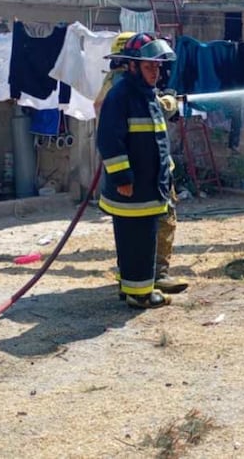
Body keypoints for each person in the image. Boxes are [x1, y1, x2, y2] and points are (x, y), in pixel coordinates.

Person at [95, 32, 188, 296]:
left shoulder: (146, 94)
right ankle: (139, 293)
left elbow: (154, 137)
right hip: (134, 187)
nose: (156, 72)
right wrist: (122, 177)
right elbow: (110, 141)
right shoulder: (120, 93)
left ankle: (145, 282)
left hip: (153, 182)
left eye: (158, 66)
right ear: (132, 65)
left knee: (148, 236)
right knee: (137, 240)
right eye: (150, 66)